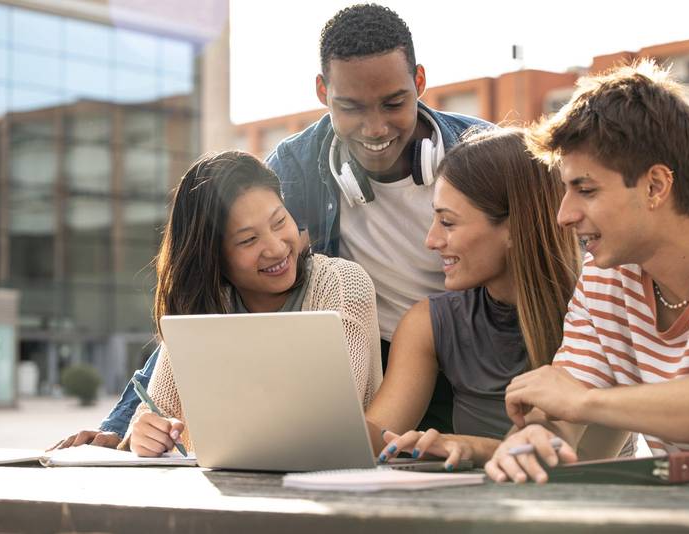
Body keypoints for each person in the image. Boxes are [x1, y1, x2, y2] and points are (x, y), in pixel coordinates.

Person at [51, 3, 488, 450]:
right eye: (351, 106)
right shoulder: (296, 167)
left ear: (419, 82)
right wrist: (121, 426)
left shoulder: (486, 154)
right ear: (322, 91)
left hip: (473, 361)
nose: (374, 127)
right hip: (378, 370)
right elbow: (201, 300)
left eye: (394, 103)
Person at [483, 60, 689, 484]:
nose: (564, 215)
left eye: (586, 190)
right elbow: (562, 406)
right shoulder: (605, 279)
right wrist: (533, 439)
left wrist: (586, 404)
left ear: (655, 186)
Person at [364, 127, 630, 466]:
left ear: (514, 229)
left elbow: (573, 463)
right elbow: (374, 439)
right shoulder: (429, 324)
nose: (431, 240)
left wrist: (474, 449)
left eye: (447, 222)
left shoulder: (606, 309)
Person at [105, 150, 383, 455]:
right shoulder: (205, 307)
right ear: (214, 256)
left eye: (279, 222)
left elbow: (331, 417)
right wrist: (144, 433)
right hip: (227, 491)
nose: (276, 248)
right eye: (248, 240)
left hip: (328, 488)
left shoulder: (342, 284)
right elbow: (158, 410)